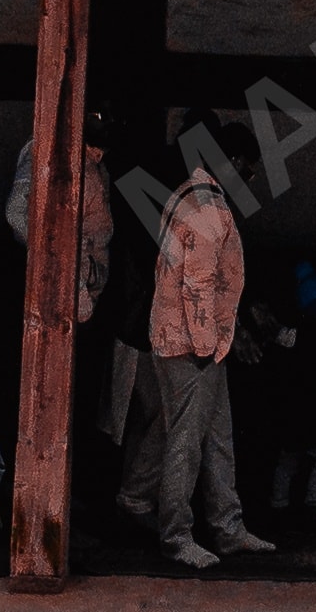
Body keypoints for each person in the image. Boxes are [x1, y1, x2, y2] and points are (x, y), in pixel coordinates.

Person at [118, 130, 254, 576]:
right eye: (247, 168)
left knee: (208, 435)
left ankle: (227, 527)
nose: (249, 178)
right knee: (189, 442)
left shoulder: (187, 194)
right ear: (232, 161)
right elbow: (198, 288)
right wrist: (204, 346)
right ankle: (177, 535)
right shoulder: (208, 211)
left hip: (187, 341)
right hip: (192, 346)